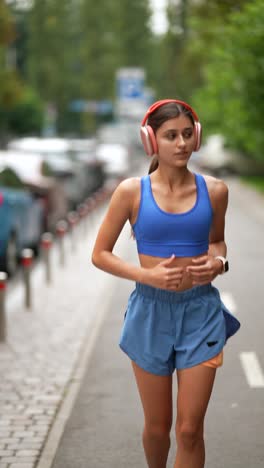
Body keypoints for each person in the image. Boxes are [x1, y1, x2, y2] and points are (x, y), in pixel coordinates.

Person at [92, 99, 240, 468]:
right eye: (171, 135)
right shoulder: (131, 192)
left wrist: (219, 263)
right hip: (149, 314)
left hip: (201, 313)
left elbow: (218, 240)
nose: (182, 144)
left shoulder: (216, 191)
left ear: (198, 137)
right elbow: (100, 254)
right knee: (158, 428)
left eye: (188, 134)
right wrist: (147, 275)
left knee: (190, 430)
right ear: (150, 140)